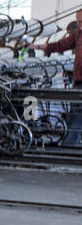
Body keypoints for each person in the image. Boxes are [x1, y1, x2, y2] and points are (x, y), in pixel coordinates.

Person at [31, 11, 82, 146]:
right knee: (75, 112)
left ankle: (69, 145)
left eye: (81, 21)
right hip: (79, 81)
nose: (79, 24)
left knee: (77, 114)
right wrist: (38, 47)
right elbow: (60, 45)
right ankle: (71, 143)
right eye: (78, 21)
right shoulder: (77, 34)